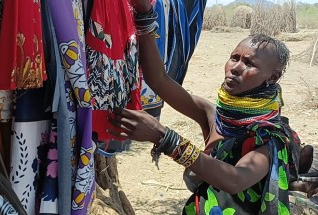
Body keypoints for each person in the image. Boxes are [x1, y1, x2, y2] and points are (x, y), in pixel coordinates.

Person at [106, 0, 317, 214]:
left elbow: (235, 180)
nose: (235, 67)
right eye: (234, 58)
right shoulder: (214, 115)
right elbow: (159, 80)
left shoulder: (271, 137)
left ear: (273, 76)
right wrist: (145, 15)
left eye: (249, 63)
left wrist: (165, 138)